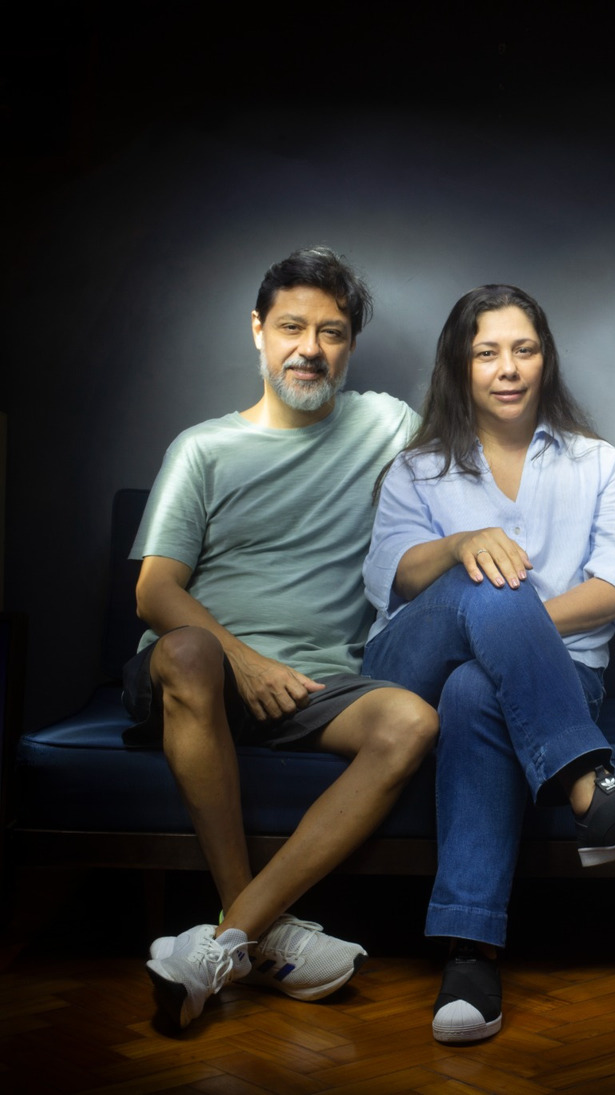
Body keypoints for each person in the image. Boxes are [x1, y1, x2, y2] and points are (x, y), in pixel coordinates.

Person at [361, 284, 615, 1045]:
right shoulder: (417, 467)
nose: (508, 368)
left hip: (551, 675)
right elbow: (391, 577)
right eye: (487, 352)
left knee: (482, 681)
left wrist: (510, 623)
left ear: (545, 360)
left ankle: (470, 956)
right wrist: (456, 547)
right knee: (484, 581)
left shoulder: (597, 463)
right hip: (411, 661)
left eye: (524, 349)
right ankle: (592, 789)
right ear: (460, 364)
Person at [127, 246, 439, 1032]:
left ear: (350, 346)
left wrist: (611, 482)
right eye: (293, 326)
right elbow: (155, 590)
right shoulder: (203, 447)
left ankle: (233, 936)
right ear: (258, 332)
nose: (310, 347)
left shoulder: (387, 424)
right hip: (194, 668)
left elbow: (482, 466)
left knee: (412, 720)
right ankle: (257, 924)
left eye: (331, 332)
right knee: (192, 651)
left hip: (318, 683)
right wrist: (244, 657)